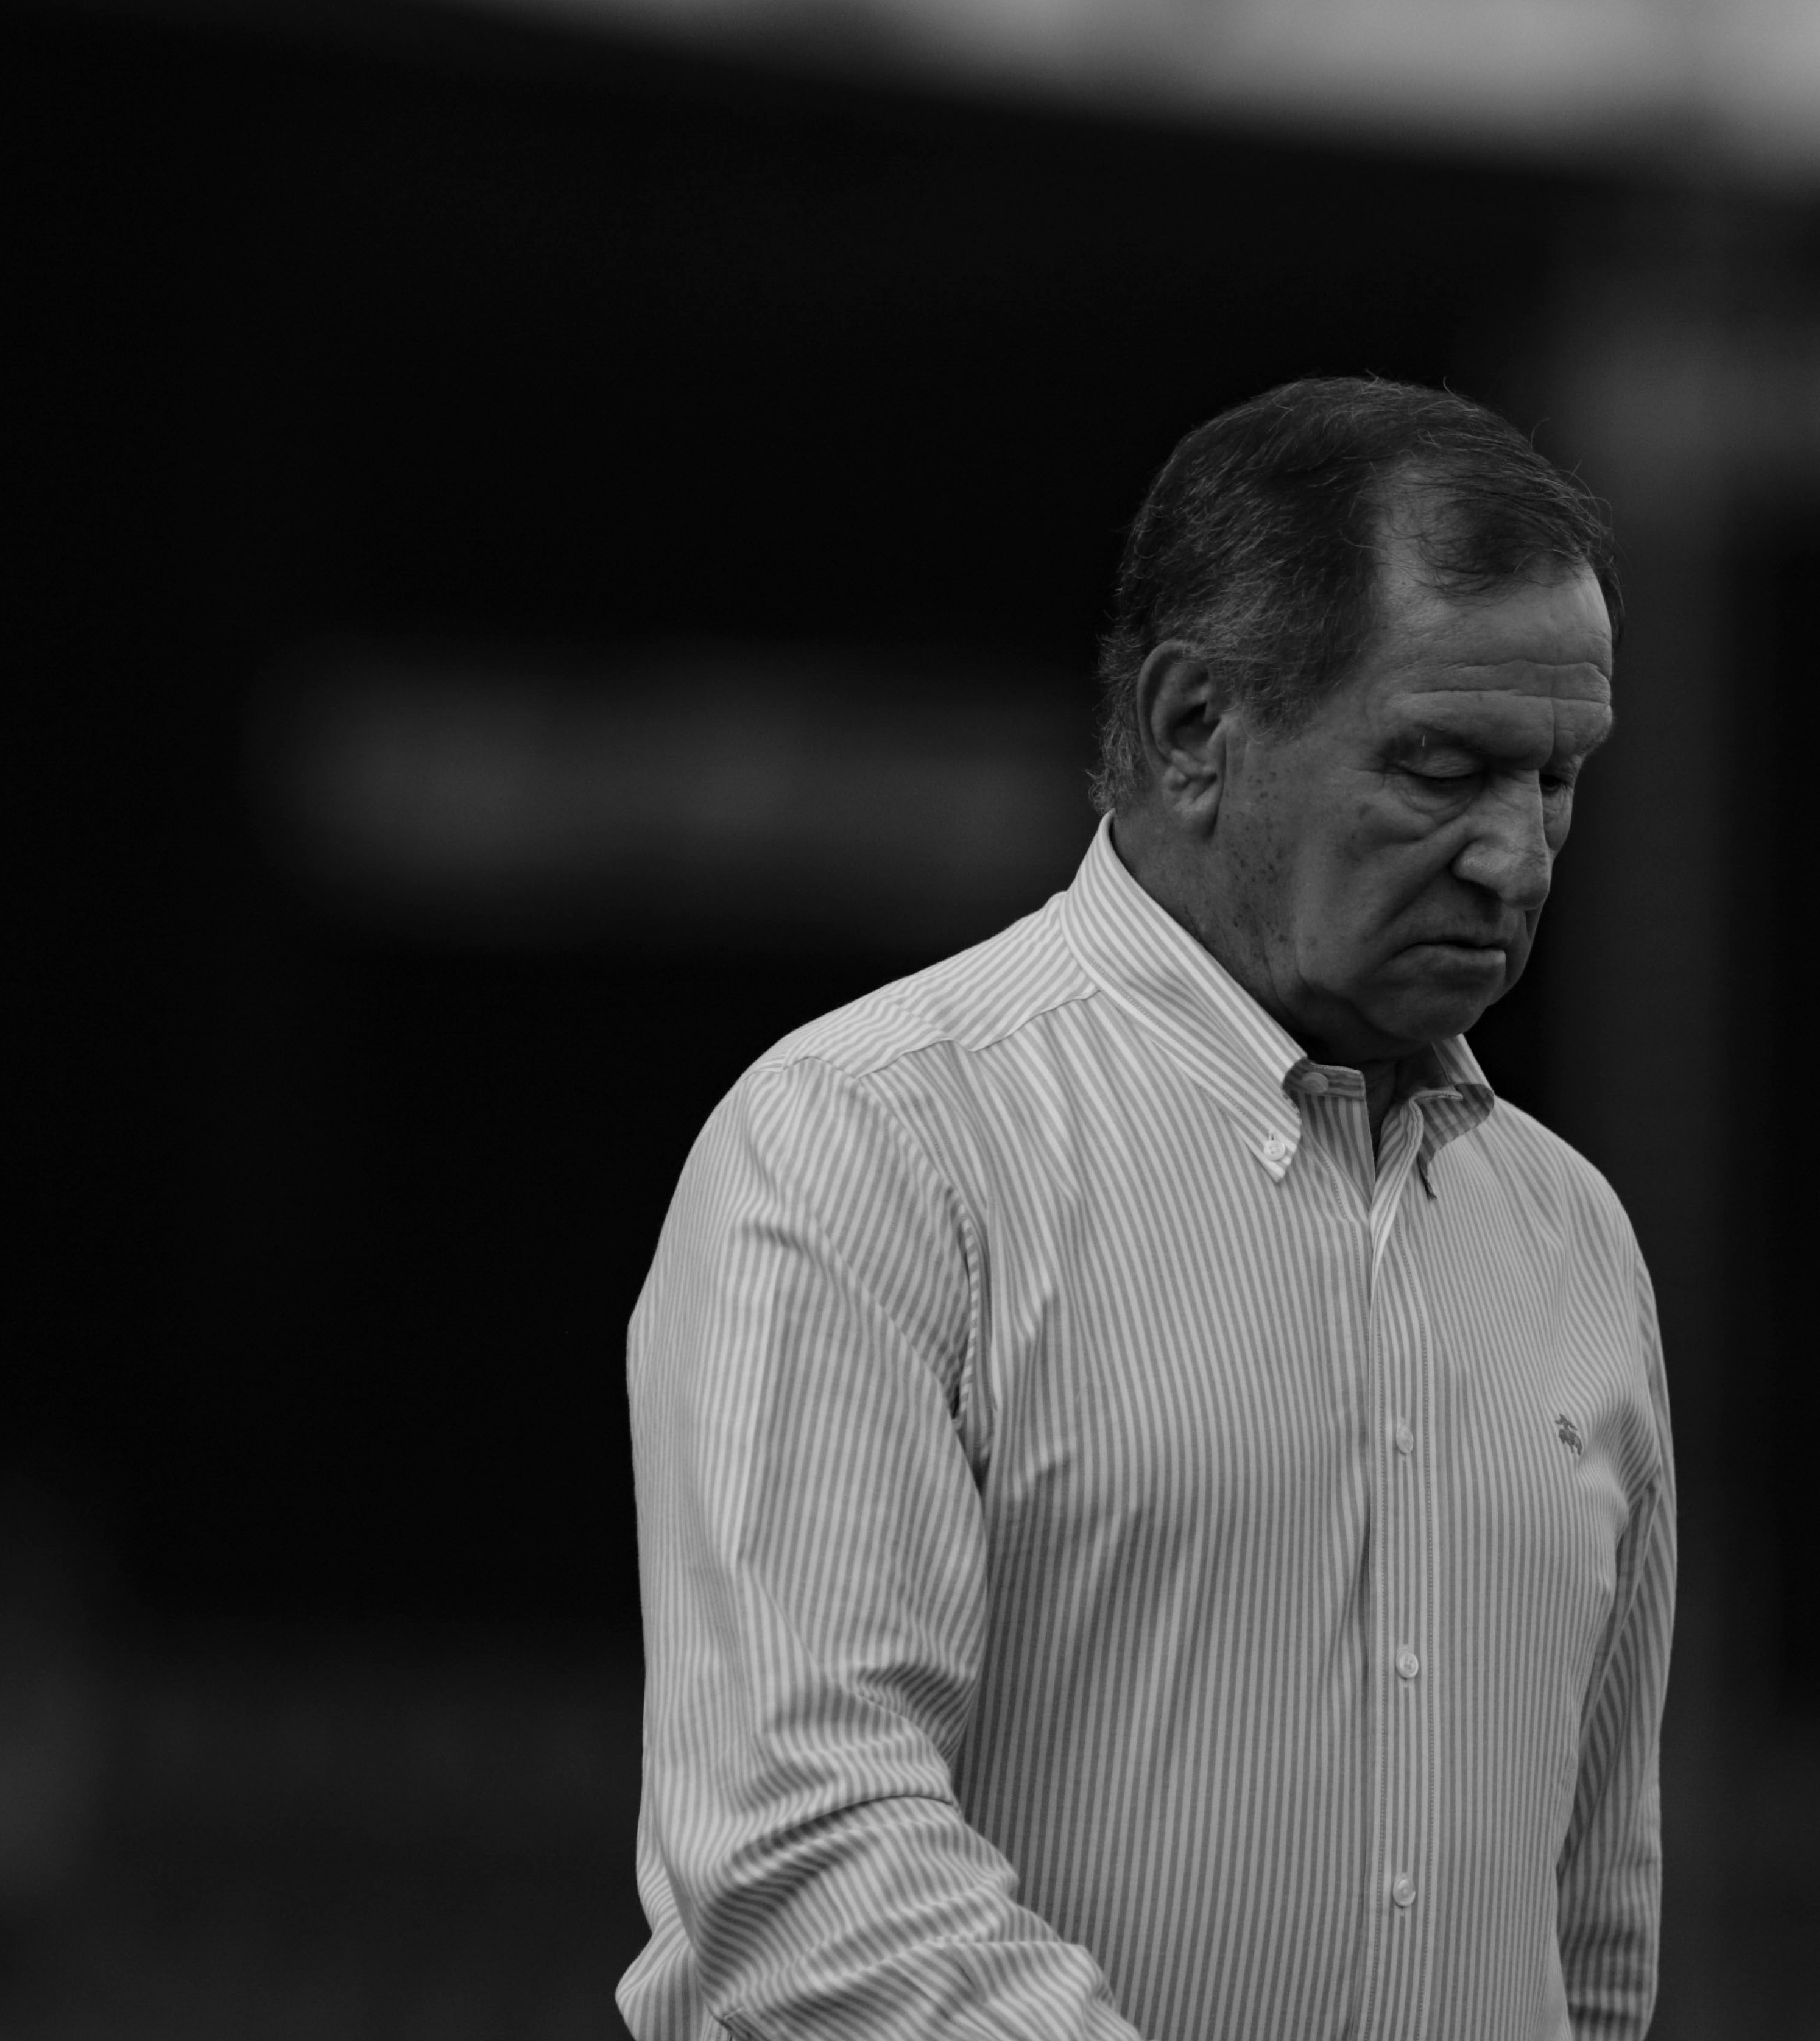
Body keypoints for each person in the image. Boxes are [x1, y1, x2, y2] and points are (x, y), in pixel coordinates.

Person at [618, 377, 1673, 2041]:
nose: (1518, 858)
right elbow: (801, 1855)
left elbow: (1586, 1944)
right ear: (1193, 729)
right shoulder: (872, 1142)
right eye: (1442, 767)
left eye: (1554, 779)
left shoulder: (1575, 1240)